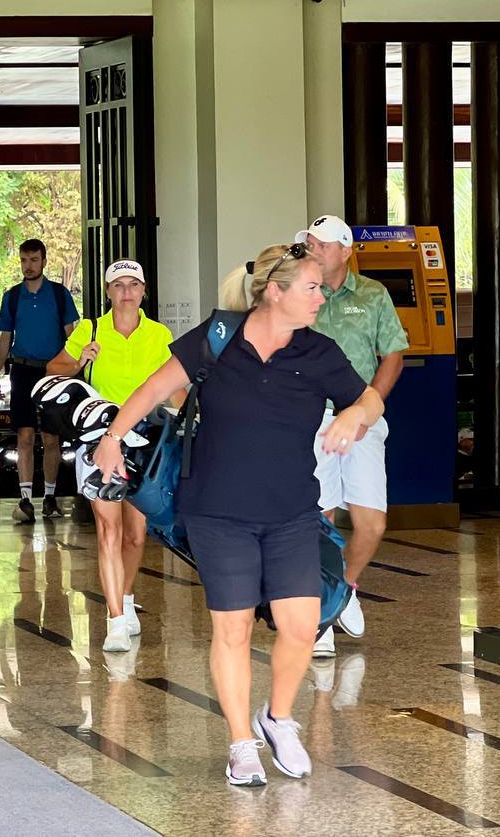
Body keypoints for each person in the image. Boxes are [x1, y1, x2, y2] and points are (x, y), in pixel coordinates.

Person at [92, 243, 382, 786]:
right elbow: (156, 387)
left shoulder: (319, 351)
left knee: (302, 625)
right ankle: (241, 744)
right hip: (218, 511)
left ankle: (277, 717)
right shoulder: (219, 337)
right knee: (234, 627)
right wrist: (112, 438)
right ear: (275, 292)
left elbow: (371, 400)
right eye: (311, 288)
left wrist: (353, 417)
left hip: (292, 511)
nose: (320, 297)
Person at [46, 260, 175, 653]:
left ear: (144, 290)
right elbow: (54, 369)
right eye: (118, 285)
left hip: (144, 441)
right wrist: (80, 360)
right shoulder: (91, 328)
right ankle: (115, 619)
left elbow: (173, 386)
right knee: (109, 530)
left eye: (133, 284)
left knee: (135, 534)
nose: (126, 292)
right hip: (99, 439)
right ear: (107, 292)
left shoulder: (159, 334)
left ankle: (126, 597)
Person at [295, 216, 408, 660]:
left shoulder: (372, 294)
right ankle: (322, 614)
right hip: (312, 418)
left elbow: (393, 355)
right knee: (319, 519)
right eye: (309, 243)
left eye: (322, 245)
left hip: (361, 419)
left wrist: (367, 407)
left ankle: (343, 587)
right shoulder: (300, 291)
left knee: (372, 523)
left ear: (346, 251)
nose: (314, 250)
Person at [0, 238, 79, 524]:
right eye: (24, 260)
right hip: (23, 370)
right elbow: (5, 338)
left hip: (53, 371)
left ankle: (50, 497)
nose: (28, 266)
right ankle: (26, 499)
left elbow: (72, 336)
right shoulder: (12, 296)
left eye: (33, 260)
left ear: (44, 261)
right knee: (25, 435)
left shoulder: (59, 294)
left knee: (52, 436)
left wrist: (75, 369)